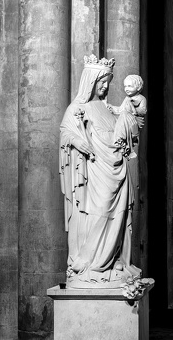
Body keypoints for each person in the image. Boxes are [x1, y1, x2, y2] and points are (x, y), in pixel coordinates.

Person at [59, 55, 141, 288]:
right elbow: (65, 132)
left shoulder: (108, 108)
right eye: (101, 82)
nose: (105, 87)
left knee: (119, 216)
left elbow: (125, 132)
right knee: (99, 211)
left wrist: (129, 124)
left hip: (117, 170)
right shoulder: (78, 108)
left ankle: (114, 260)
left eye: (107, 82)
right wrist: (78, 142)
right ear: (90, 81)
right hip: (95, 172)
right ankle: (90, 262)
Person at [106, 75, 147, 160]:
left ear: (138, 87)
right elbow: (121, 110)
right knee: (118, 117)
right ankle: (119, 140)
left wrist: (134, 110)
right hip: (126, 118)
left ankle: (120, 139)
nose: (126, 88)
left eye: (130, 86)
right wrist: (112, 108)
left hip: (135, 121)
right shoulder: (127, 99)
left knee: (124, 115)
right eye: (125, 86)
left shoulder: (141, 98)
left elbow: (143, 111)